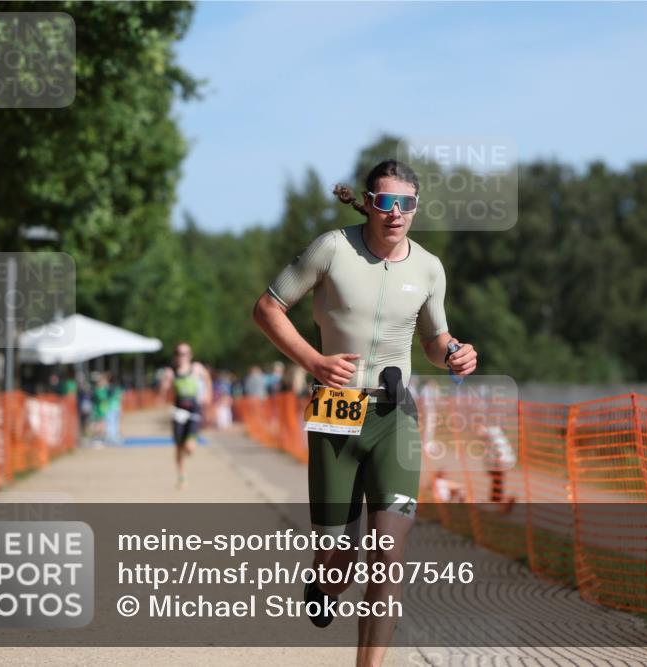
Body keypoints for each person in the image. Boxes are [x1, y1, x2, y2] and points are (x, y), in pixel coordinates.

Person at [252, 159, 477, 666]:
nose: (396, 213)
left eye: (406, 203)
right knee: (340, 553)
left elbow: (435, 339)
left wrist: (456, 352)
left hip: (394, 415)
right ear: (371, 204)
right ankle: (327, 577)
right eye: (385, 202)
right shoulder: (332, 248)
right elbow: (267, 309)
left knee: (387, 558)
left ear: (416, 208)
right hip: (336, 408)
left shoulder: (428, 267)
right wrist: (314, 360)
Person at [158, 342, 213, 489]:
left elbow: (208, 379)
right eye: (178, 353)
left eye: (184, 353)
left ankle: (190, 446)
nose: (181, 356)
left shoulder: (197, 368)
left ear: (190, 355)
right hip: (178, 410)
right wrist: (163, 388)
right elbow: (164, 393)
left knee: (189, 446)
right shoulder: (171, 372)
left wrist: (208, 394)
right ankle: (182, 475)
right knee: (178, 446)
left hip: (194, 409)